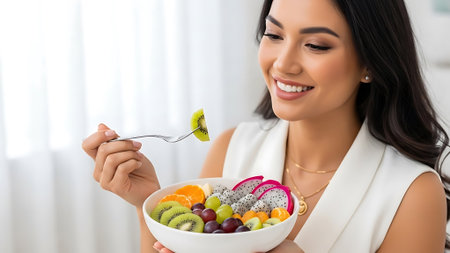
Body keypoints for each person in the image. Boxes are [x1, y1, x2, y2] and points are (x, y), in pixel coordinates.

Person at [82, 0, 450, 252]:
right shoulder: (232, 148)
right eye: (274, 35)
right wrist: (148, 203)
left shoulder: (411, 192)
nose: (283, 64)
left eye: (316, 45)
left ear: (370, 61)